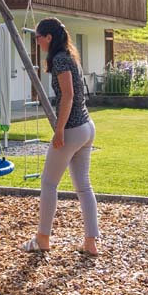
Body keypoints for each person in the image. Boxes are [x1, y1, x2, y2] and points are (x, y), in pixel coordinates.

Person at [20, 17, 99, 256]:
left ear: (49, 37)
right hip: (86, 127)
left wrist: (59, 130)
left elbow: (68, 95)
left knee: (48, 183)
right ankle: (91, 243)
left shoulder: (60, 59)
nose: (37, 42)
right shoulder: (70, 56)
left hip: (72, 129)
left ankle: (42, 238)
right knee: (83, 186)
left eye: (38, 38)